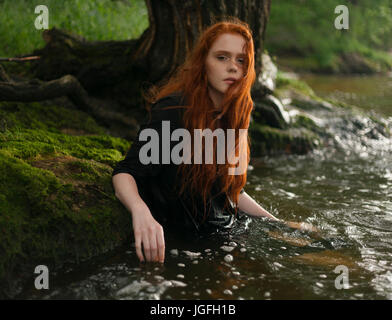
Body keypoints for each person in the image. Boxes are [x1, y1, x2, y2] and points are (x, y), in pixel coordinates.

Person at [112, 19, 288, 263]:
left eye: (241, 60)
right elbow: (125, 172)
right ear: (203, 62)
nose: (232, 68)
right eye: (222, 57)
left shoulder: (234, 115)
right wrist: (140, 212)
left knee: (311, 249)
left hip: (226, 232)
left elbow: (229, 191)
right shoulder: (174, 111)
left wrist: (279, 226)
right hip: (188, 242)